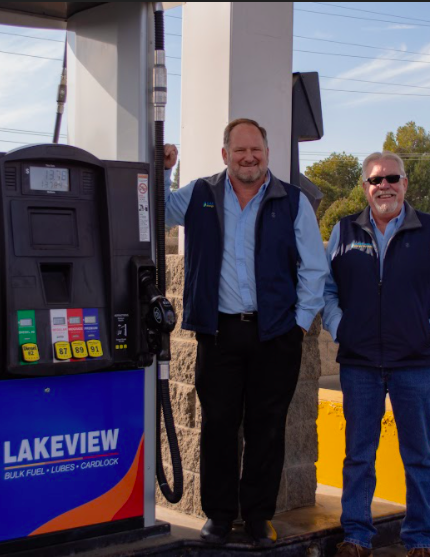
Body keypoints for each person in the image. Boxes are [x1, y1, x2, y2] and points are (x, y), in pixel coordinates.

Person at [162, 118, 327, 546]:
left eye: (255, 150)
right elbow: (155, 209)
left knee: (266, 428)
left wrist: (298, 324)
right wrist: (163, 170)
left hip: (276, 336)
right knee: (217, 426)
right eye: (239, 151)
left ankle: (257, 516)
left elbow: (314, 267)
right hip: (217, 335)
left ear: (267, 154)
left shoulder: (292, 201)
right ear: (225, 155)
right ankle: (219, 515)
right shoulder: (200, 194)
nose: (248, 157)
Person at [323, 151, 430, 557]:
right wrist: (340, 328)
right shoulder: (344, 230)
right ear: (365, 187)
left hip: (415, 365)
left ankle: (420, 538)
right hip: (360, 364)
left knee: (418, 457)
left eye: (391, 178)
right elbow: (327, 291)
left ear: (405, 183)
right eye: (374, 180)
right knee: (358, 457)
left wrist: (428, 331)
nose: (383, 185)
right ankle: (356, 536)